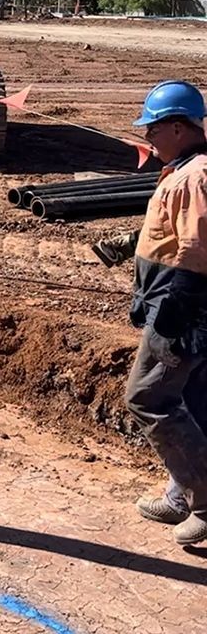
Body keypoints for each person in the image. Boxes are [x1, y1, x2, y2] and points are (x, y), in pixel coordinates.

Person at [124, 80, 207, 547]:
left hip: (185, 309)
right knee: (195, 402)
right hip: (186, 305)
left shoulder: (195, 176)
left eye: (153, 127)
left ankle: (205, 501)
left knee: (148, 397)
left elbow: (197, 249)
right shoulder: (185, 168)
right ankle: (182, 493)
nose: (147, 136)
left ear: (179, 127)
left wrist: (175, 309)